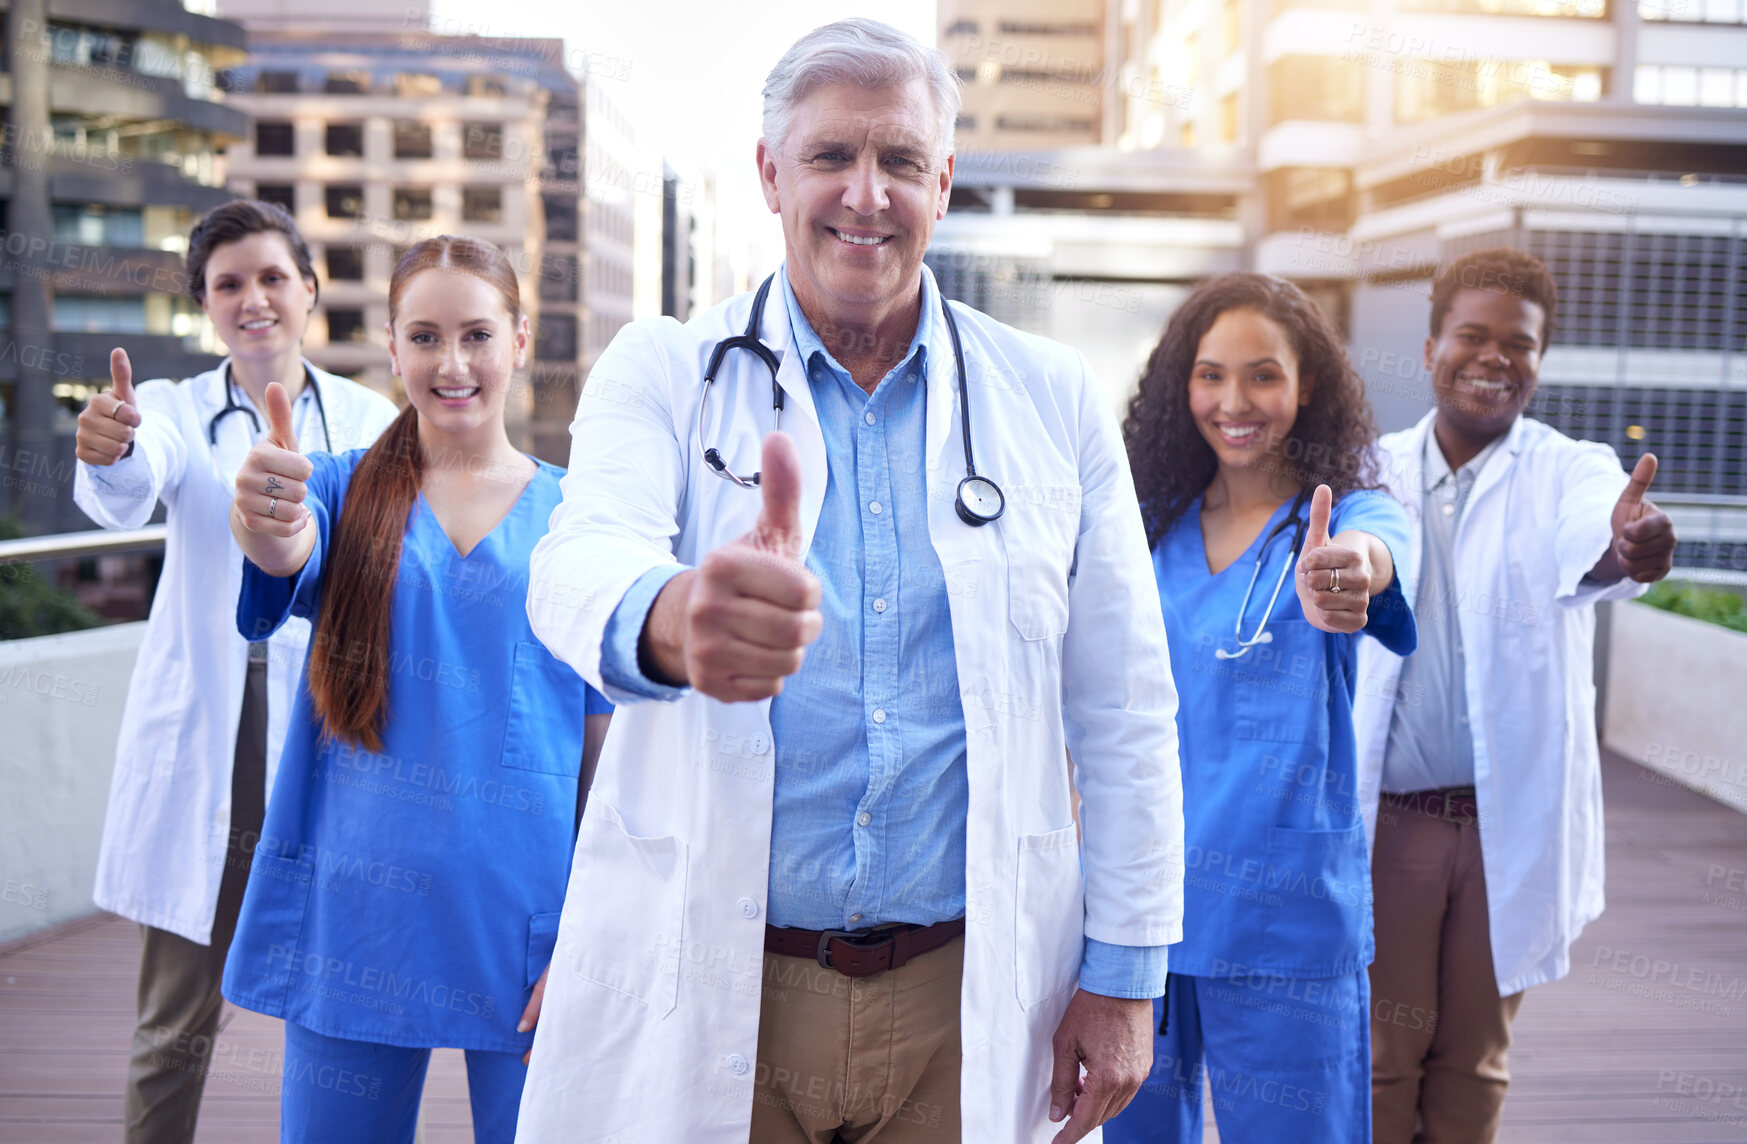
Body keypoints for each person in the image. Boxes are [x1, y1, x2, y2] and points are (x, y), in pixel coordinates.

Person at [515, 18, 1184, 1144]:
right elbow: (576, 565)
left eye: (901, 161)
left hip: (965, 996)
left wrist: (1124, 974)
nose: (865, 195)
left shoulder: (1053, 397)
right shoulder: (665, 370)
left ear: (945, 181)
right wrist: (678, 619)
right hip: (724, 975)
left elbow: (1123, 705)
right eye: (830, 157)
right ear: (771, 174)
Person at [221, 235, 611, 1144]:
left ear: (519, 339)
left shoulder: (581, 519)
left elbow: (603, 758)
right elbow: (285, 548)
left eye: (476, 334)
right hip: (360, 925)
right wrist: (265, 516)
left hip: (531, 926)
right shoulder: (334, 489)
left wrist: (598, 932)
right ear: (392, 351)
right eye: (425, 337)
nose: (453, 362)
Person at [71, 200, 399, 1144]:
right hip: (210, 739)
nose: (251, 299)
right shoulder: (172, 409)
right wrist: (115, 445)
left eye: (269, 278)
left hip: (330, 728)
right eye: (227, 285)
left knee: (336, 1006)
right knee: (173, 1024)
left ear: (307, 288)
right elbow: (133, 480)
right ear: (207, 306)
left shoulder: (373, 419)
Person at [1357, 247, 1677, 1143]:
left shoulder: (1569, 469)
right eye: (1471, 336)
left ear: (1540, 358)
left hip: (1508, 830)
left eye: (1518, 342)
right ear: (1428, 349)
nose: (1493, 357)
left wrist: (1633, 546)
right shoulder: (1367, 471)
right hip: (1390, 827)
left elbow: (1606, 537)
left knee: (1474, 1063)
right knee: (1381, 1060)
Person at [1103, 273, 1416, 1144]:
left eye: (1262, 375)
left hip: (1284, 925)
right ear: (1182, 385)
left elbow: (1375, 554)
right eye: (1210, 375)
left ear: (1305, 383)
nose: (1233, 401)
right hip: (1142, 918)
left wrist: (1345, 572)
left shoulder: (1346, 518)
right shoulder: (1143, 528)